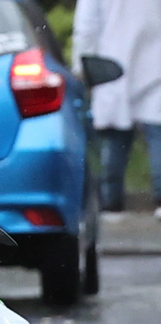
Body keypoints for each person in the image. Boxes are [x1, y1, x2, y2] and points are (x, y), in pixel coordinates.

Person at [72, 0, 161, 218]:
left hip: (112, 65)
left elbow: (86, 27)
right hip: (155, 63)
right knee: (158, 135)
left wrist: (81, 67)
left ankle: (111, 204)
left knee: (113, 138)